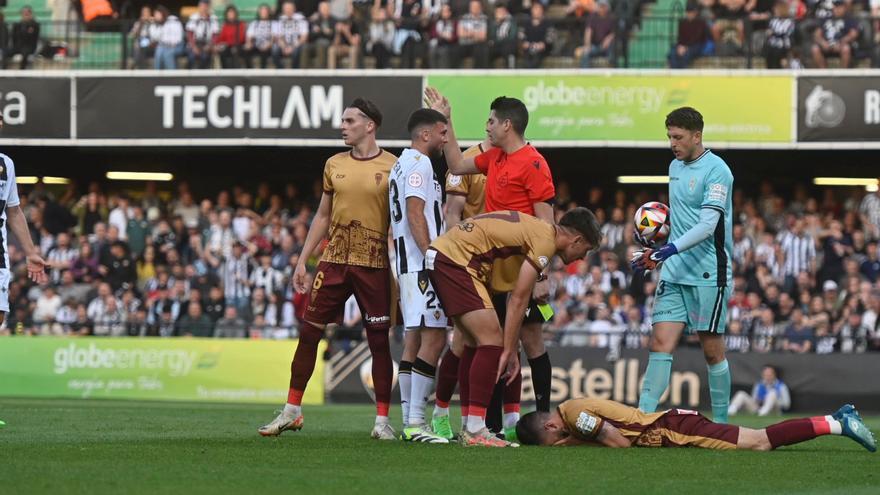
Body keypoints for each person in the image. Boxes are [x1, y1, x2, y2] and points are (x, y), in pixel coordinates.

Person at [258, 98, 397, 440]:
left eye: (349, 121)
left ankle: (381, 422)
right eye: (343, 120)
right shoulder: (333, 164)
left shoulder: (395, 165)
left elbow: (401, 219)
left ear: (370, 125)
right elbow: (322, 215)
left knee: (379, 342)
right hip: (333, 261)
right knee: (309, 333)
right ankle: (292, 411)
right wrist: (303, 260)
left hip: (374, 264)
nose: (343, 126)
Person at [428, 87, 558, 441]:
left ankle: (542, 419)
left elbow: (547, 224)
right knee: (493, 343)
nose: (486, 126)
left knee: (530, 342)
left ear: (507, 125)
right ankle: (492, 427)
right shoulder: (494, 158)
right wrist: (448, 119)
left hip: (522, 270)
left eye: (490, 121)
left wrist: (543, 275)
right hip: (489, 268)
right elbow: (455, 164)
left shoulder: (534, 164)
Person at [426, 207, 603, 447]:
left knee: (472, 342)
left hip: (447, 255)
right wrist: (508, 351)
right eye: (586, 250)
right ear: (577, 239)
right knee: (491, 342)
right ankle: (475, 429)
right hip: (456, 261)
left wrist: (509, 348)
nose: (583, 257)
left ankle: (470, 423)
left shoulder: (538, 230)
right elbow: (519, 300)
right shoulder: (545, 242)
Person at [631, 107, 735, 424]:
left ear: (696, 136)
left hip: (708, 272)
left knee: (712, 351)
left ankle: (721, 425)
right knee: (660, 343)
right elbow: (681, 221)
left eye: (678, 137)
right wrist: (659, 250)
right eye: (669, 137)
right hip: (675, 270)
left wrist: (665, 252)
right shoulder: (674, 166)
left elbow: (706, 226)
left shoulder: (718, 171)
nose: (673, 143)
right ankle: (642, 418)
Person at [391, 109, 450, 443]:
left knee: (415, 338)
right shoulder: (420, 164)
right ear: (425, 134)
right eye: (442, 132)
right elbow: (415, 212)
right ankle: (416, 423)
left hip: (406, 263)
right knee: (435, 338)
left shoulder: (401, 163)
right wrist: (430, 254)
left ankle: (409, 421)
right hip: (419, 263)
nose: (445, 138)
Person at [516, 398, 876, 453]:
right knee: (758, 440)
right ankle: (834, 420)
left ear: (550, 427)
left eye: (554, 443)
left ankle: (837, 423)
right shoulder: (573, 411)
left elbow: (617, 442)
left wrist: (573, 445)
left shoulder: (574, 414)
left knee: (759, 442)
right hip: (672, 426)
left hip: (674, 427)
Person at [430, 135, 492, 440]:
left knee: (501, 344)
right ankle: (442, 413)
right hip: (468, 262)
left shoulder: (517, 161)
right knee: (463, 342)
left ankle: (483, 421)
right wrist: (463, 255)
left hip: (502, 262)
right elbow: (452, 213)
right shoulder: (466, 163)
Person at [811, 0, 859, 69]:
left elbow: (853, 34)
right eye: (835, 7)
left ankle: (843, 74)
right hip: (827, 44)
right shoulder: (825, 19)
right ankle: (823, 74)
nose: (837, 9)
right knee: (814, 49)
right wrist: (823, 43)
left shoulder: (849, 19)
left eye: (839, 7)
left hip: (841, 45)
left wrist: (841, 42)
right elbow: (817, 34)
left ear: (844, 8)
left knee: (846, 49)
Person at [669, 2, 710, 69]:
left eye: (691, 12)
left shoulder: (701, 22)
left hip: (697, 45)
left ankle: (682, 72)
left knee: (686, 54)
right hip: (684, 45)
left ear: (695, 12)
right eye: (688, 12)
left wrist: (685, 47)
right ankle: (674, 72)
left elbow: (698, 38)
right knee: (673, 52)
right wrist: (680, 46)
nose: (689, 14)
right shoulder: (682, 22)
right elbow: (680, 37)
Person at [576, 0, 615, 68]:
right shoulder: (592, 17)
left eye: (604, 6)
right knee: (586, 54)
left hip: (607, 47)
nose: (602, 8)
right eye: (600, 6)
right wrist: (587, 45)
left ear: (607, 7)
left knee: (613, 52)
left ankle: (612, 71)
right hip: (595, 46)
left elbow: (615, 32)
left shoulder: (611, 17)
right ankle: (585, 74)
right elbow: (588, 32)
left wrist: (608, 39)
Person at [272, 0, 309, 68]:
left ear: (294, 9)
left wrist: (292, 47)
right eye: (286, 9)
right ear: (283, 9)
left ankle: (294, 71)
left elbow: (304, 36)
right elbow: (277, 37)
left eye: (290, 8)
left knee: (296, 51)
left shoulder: (301, 18)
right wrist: (284, 47)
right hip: (283, 44)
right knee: (274, 48)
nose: (288, 10)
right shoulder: (278, 19)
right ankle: (281, 70)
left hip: (297, 44)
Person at [186, 0, 219, 69]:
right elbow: (189, 34)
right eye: (202, 6)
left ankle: (203, 77)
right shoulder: (194, 17)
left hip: (207, 43)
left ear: (208, 7)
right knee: (191, 56)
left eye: (205, 6)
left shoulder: (213, 18)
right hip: (196, 42)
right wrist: (194, 47)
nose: (203, 8)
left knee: (205, 57)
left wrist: (210, 45)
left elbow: (215, 35)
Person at [153, 6, 185, 70]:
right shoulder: (157, 24)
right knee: (159, 50)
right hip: (164, 46)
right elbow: (157, 38)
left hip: (177, 45)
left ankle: (172, 76)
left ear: (162, 13)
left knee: (167, 53)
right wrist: (157, 25)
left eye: (157, 14)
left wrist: (171, 44)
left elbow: (178, 37)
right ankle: (157, 74)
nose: (155, 16)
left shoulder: (173, 20)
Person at [246, 4, 276, 68]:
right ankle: (249, 71)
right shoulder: (254, 23)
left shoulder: (273, 23)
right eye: (262, 11)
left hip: (268, 46)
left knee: (264, 52)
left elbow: (274, 38)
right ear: (259, 13)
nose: (264, 12)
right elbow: (249, 37)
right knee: (246, 50)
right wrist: (249, 44)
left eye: (265, 11)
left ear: (268, 12)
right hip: (256, 45)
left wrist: (268, 45)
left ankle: (263, 73)